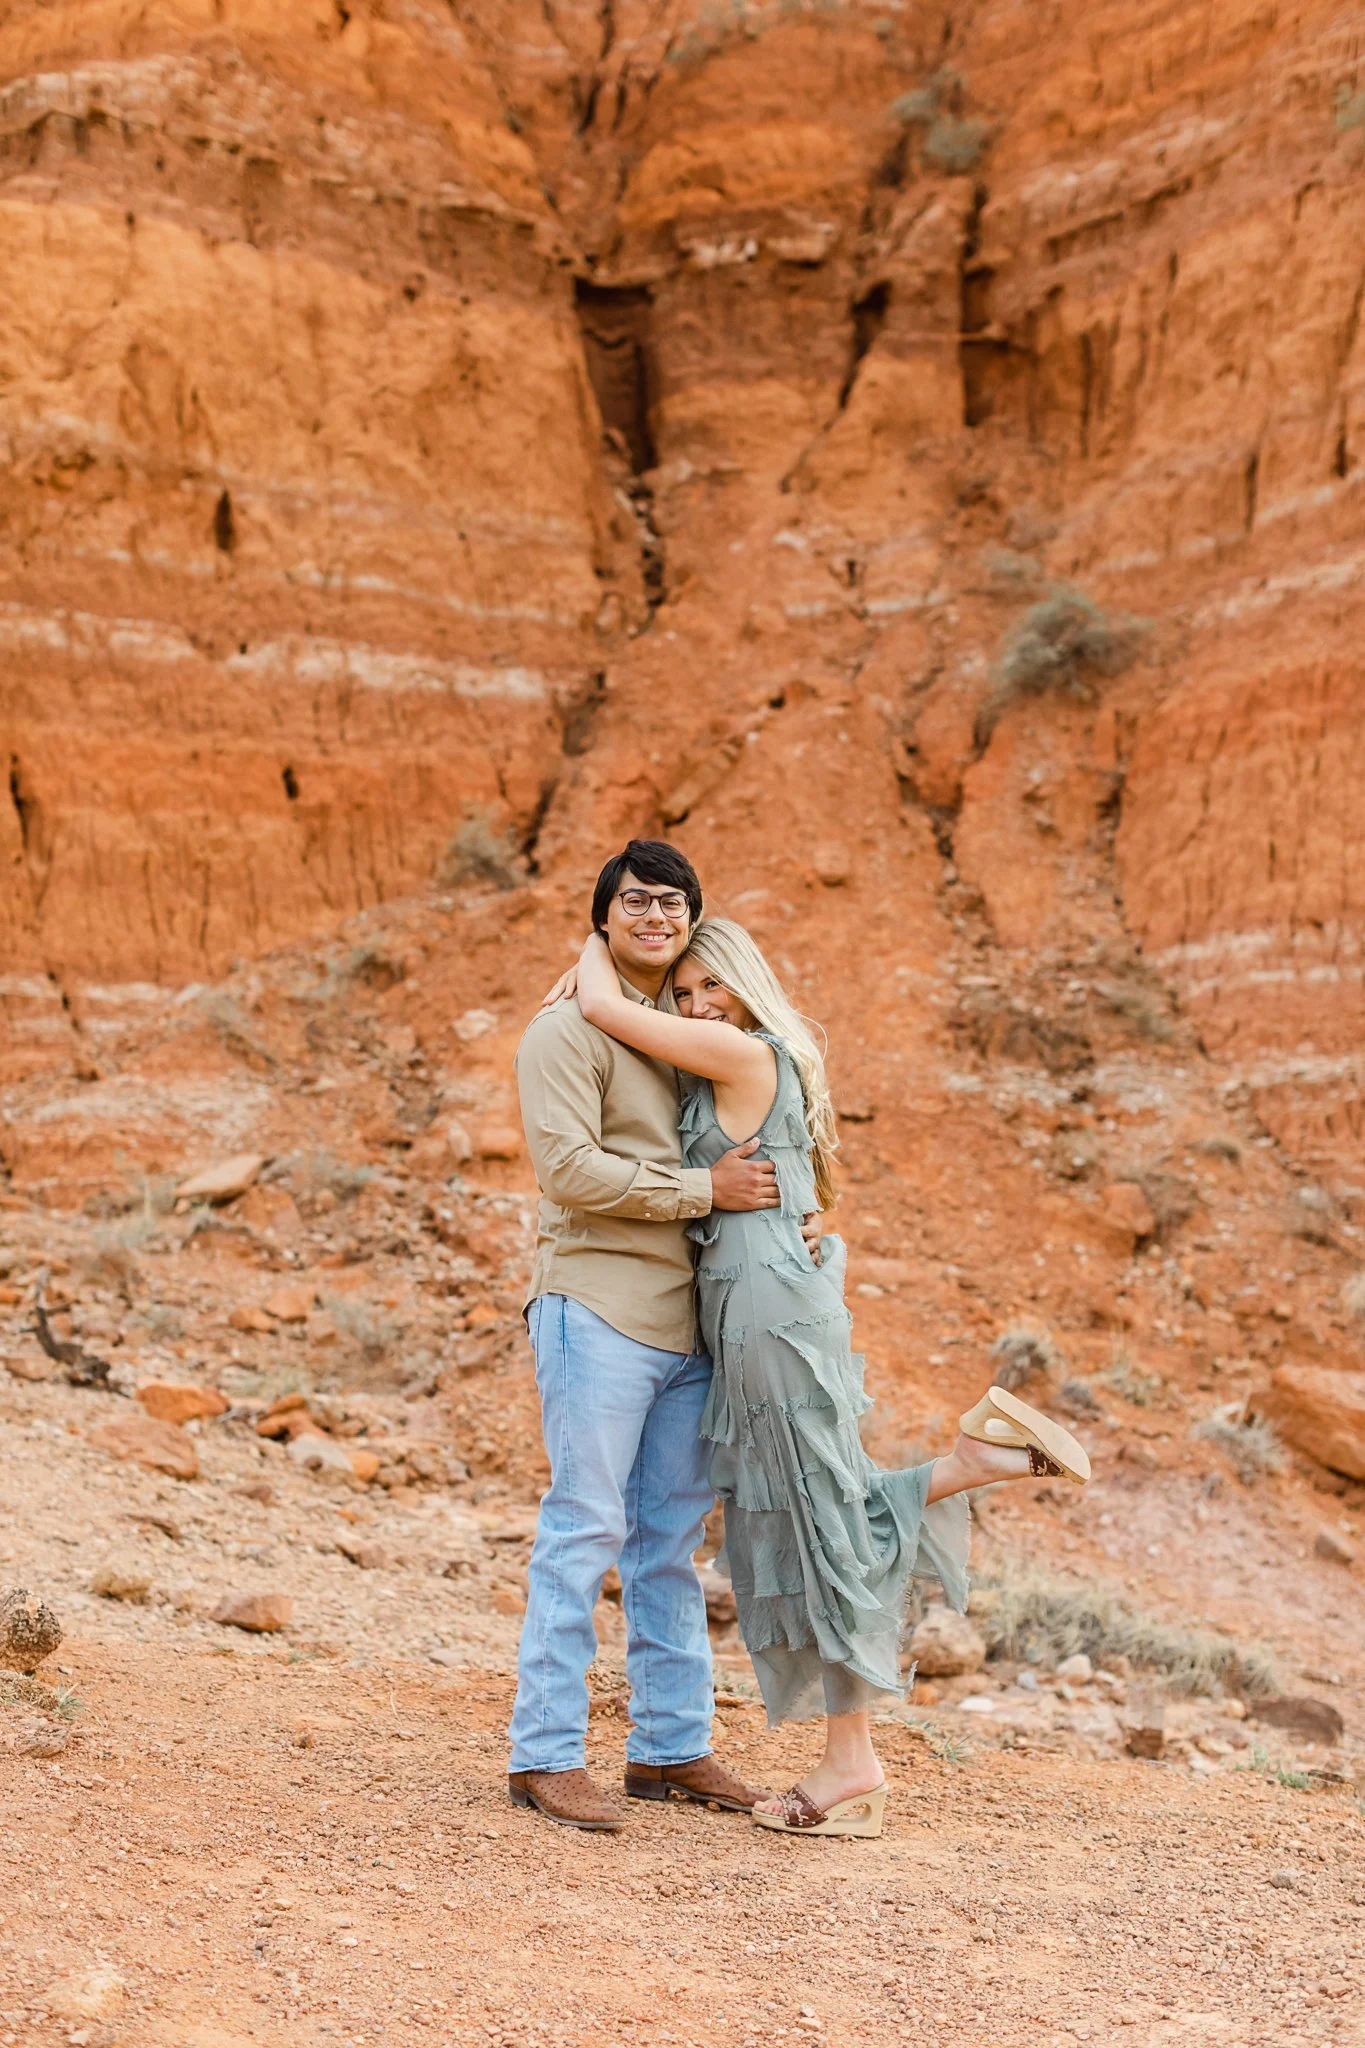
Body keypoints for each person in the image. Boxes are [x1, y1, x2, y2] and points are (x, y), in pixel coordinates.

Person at [555, 913, 1092, 1839]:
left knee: (812, 1520)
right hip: (767, 1300)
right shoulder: (758, 1060)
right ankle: (969, 1462)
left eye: (709, 986)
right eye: (683, 996)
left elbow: (604, 1003)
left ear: (744, 983)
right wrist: (812, 1235)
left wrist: (597, 942)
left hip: (763, 1310)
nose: (695, 1006)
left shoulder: (744, 1053)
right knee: (817, 1505)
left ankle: (852, 1763)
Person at [507, 841, 823, 1833]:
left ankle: (671, 1746)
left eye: (673, 900)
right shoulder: (565, 1031)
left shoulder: (687, 1028)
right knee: (584, 1525)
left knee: (670, 1544)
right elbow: (567, 1171)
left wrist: (799, 1219)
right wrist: (703, 1189)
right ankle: (545, 1753)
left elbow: (767, 1139)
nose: (654, 912)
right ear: (603, 916)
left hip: (691, 1326)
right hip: (598, 1305)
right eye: (633, 899)